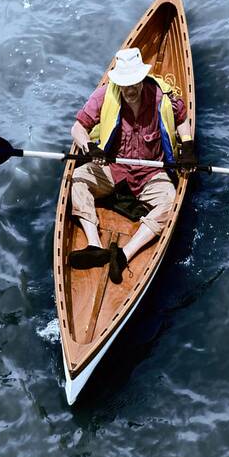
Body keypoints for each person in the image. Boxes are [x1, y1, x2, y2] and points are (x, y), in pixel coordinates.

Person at [68, 47, 196, 283]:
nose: (130, 90)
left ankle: (125, 254)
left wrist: (187, 146)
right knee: (76, 180)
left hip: (152, 173)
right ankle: (94, 245)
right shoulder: (105, 95)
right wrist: (89, 148)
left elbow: (182, 119)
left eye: (134, 83)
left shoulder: (162, 96)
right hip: (114, 170)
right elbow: (77, 128)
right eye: (125, 85)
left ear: (142, 79)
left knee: (171, 202)